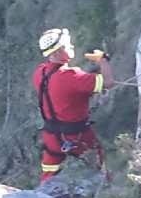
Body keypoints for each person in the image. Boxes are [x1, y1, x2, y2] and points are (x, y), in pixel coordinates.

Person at [32, 28, 115, 185]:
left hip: (51, 136)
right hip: (77, 136)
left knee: (49, 174)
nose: (71, 46)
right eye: (67, 45)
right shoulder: (71, 77)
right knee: (98, 164)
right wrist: (103, 61)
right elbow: (108, 82)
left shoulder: (39, 73)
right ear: (56, 53)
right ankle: (105, 193)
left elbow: (66, 90)